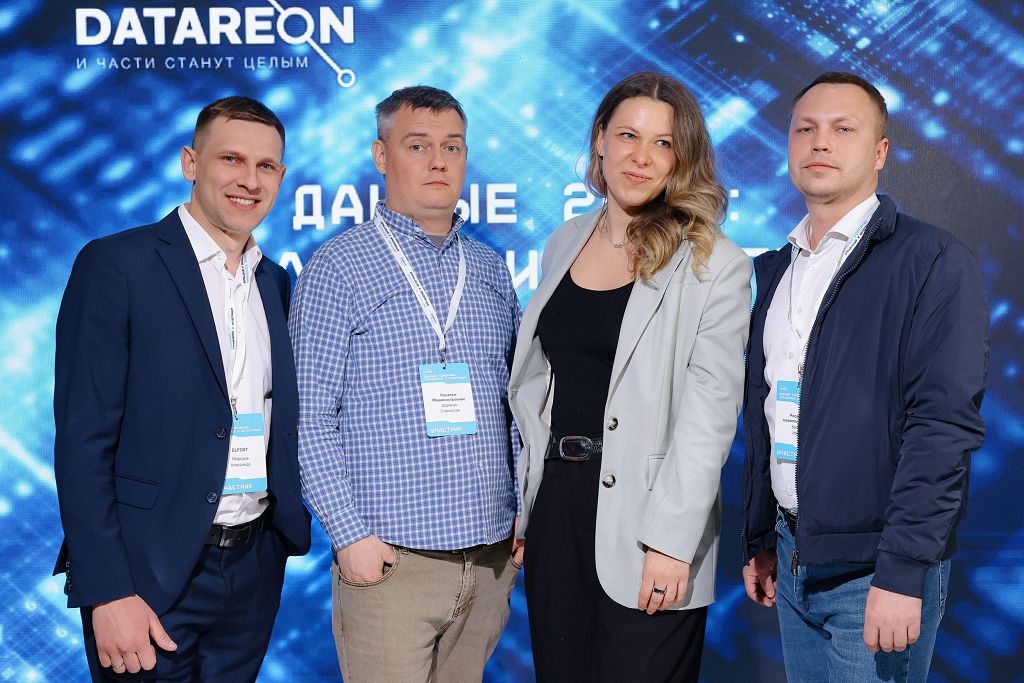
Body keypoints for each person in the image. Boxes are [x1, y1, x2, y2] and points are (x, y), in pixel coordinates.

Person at [740, 72, 989, 682]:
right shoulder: (772, 271)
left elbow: (941, 428)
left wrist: (902, 573)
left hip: (877, 571)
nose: (820, 142)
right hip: (792, 557)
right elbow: (767, 412)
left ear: (880, 152)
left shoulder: (932, 261)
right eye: (805, 129)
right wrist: (760, 536)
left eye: (843, 128)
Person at [53, 96, 311, 681]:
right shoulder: (117, 264)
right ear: (190, 163)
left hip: (252, 570)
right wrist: (107, 589)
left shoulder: (275, 283)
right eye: (231, 159)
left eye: (266, 166)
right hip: (146, 577)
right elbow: (82, 440)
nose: (249, 181)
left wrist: (273, 546)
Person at [508, 71, 752, 682]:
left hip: (650, 522)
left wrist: (671, 542)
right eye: (627, 136)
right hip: (558, 509)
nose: (641, 157)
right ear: (599, 140)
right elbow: (543, 389)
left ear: (682, 157)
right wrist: (528, 506)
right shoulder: (564, 241)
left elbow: (709, 417)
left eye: (663, 143)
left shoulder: (713, 263)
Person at [289, 85, 522, 682]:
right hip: (392, 563)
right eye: (417, 146)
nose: (438, 161)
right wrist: (349, 537)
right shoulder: (338, 267)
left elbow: (517, 407)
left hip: (489, 562)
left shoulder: (490, 269)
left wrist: (524, 512)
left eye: (453, 147)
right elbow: (308, 417)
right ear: (381, 155)